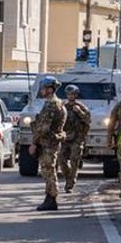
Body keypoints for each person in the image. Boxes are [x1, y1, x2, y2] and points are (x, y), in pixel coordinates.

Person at [29, 76, 67, 211]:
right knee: (49, 170)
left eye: (44, 88)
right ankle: (49, 197)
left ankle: (51, 198)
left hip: (48, 143)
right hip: (52, 142)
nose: (42, 91)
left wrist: (34, 143)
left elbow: (43, 128)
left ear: (50, 89)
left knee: (48, 170)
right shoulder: (59, 103)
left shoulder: (51, 104)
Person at [59, 84, 91, 194]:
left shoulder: (81, 107)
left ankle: (70, 184)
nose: (70, 96)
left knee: (74, 160)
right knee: (61, 160)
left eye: (72, 94)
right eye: (68, 94)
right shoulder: (64, 107)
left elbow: (88, 120)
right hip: (66, 137)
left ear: (76, 95)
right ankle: (69, 176)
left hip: (77, 138)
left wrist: (79, 112)